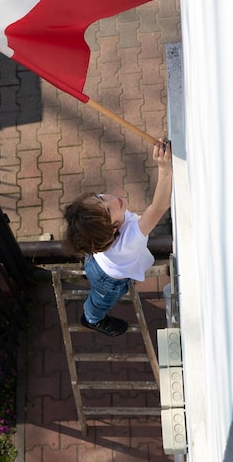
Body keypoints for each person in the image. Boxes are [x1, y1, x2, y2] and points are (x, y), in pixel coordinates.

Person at [63, 139, 172, 337]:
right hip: (107, 281)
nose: (112, 200)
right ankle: (91, 319)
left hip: (96, 260)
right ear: (112, 229)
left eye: (101, 198)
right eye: (108, 210)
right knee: (101, 300)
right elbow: (158, 207)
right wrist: (164, 169)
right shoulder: (127, 241)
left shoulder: (101, 227)